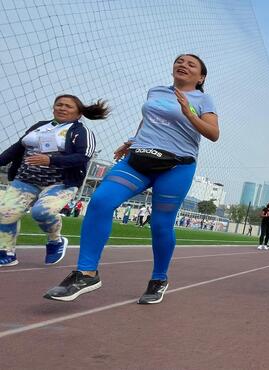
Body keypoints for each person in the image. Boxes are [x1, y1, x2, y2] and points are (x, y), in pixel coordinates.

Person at [44, 54, 219, 304]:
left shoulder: (203, 99)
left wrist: (189, 113)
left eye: (191, 64)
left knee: (160, 225)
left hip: (176, 166)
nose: (183, 65)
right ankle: (86, 273)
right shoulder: (156, 91)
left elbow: (213, 133)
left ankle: (159, 279)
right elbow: (148, 121)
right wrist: (131, 141)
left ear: (201, 77)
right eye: (179, 61)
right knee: (101, 202)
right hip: (139, 158)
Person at [0, 94, 109, 267]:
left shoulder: (81, 132)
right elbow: (16, 148)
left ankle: (55, 241)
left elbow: (83, 156)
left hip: (60, 183)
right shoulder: (39, 127)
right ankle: (6, 251)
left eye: (68, 106)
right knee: (4, 212)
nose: (62, 108)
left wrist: (51, 160)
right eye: (59, 105)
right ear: (53, 108)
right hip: (25, 180)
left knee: (41, 212)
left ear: (79, 113)